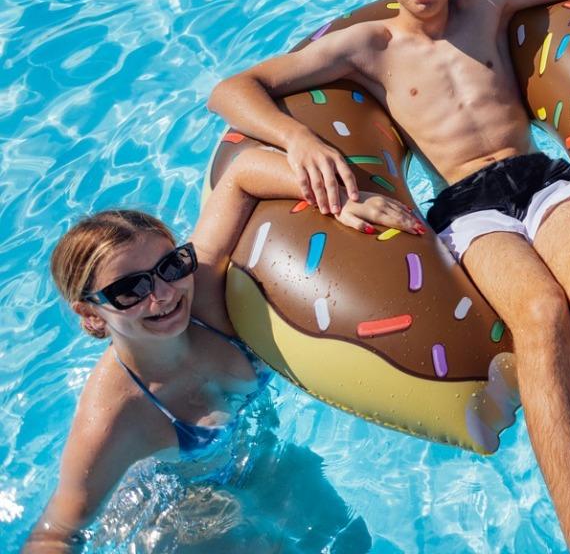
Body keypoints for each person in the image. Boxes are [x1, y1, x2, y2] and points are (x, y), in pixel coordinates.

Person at [206, 0, 570, 553]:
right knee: (542, 319)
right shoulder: (367, 48)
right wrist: (298, 140)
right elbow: (233, 90)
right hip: (469, 205)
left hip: (540, 177)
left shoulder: (487, 0)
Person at [25, 147, 411, 552]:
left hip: (265, 459)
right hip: (187, 511)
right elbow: (54, 534)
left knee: (354, 541)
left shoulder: (203, 294)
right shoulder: (116, 417)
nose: (163, 295)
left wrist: (343, 202)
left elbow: (241, 173)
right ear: (90, 314)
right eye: (130, 289)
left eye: (170, 265)